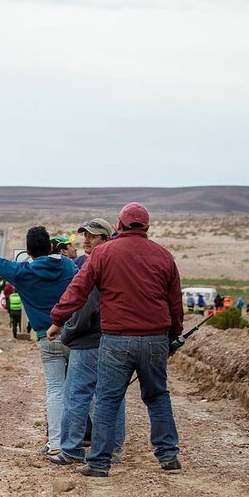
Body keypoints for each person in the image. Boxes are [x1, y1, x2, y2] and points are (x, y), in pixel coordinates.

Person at [48, 202, 183, 478]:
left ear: (119, 226)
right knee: (157, 396)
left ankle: (99, 464)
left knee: (108, 399)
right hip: (155, 338)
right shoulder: (163, 255)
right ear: (146, 227)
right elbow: (175, 302)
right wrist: (173, 335)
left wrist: (57, 320)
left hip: (117, 340)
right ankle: (168, 455)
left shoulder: (104, 254)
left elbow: (78, 289)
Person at [0, 226, 78, 455]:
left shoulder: (21, 273)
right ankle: (87, 441)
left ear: (28, 252)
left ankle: (55, 444)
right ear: (52, 247)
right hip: (76, 334)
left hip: (47, 337)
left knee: (55, 390)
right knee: (81, 388)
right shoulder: (68, 266)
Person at [46, 220, 125, 467]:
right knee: (112, 396)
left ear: (106, 238)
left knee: (76, 395)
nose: (86, 240)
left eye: (93, 236)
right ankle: (113, 449)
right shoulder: (119, 263)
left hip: (88, 341)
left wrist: (66, 333)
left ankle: (71, 450)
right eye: (85, 236)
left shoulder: (93, 264)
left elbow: (85, 307)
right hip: (114, 339)